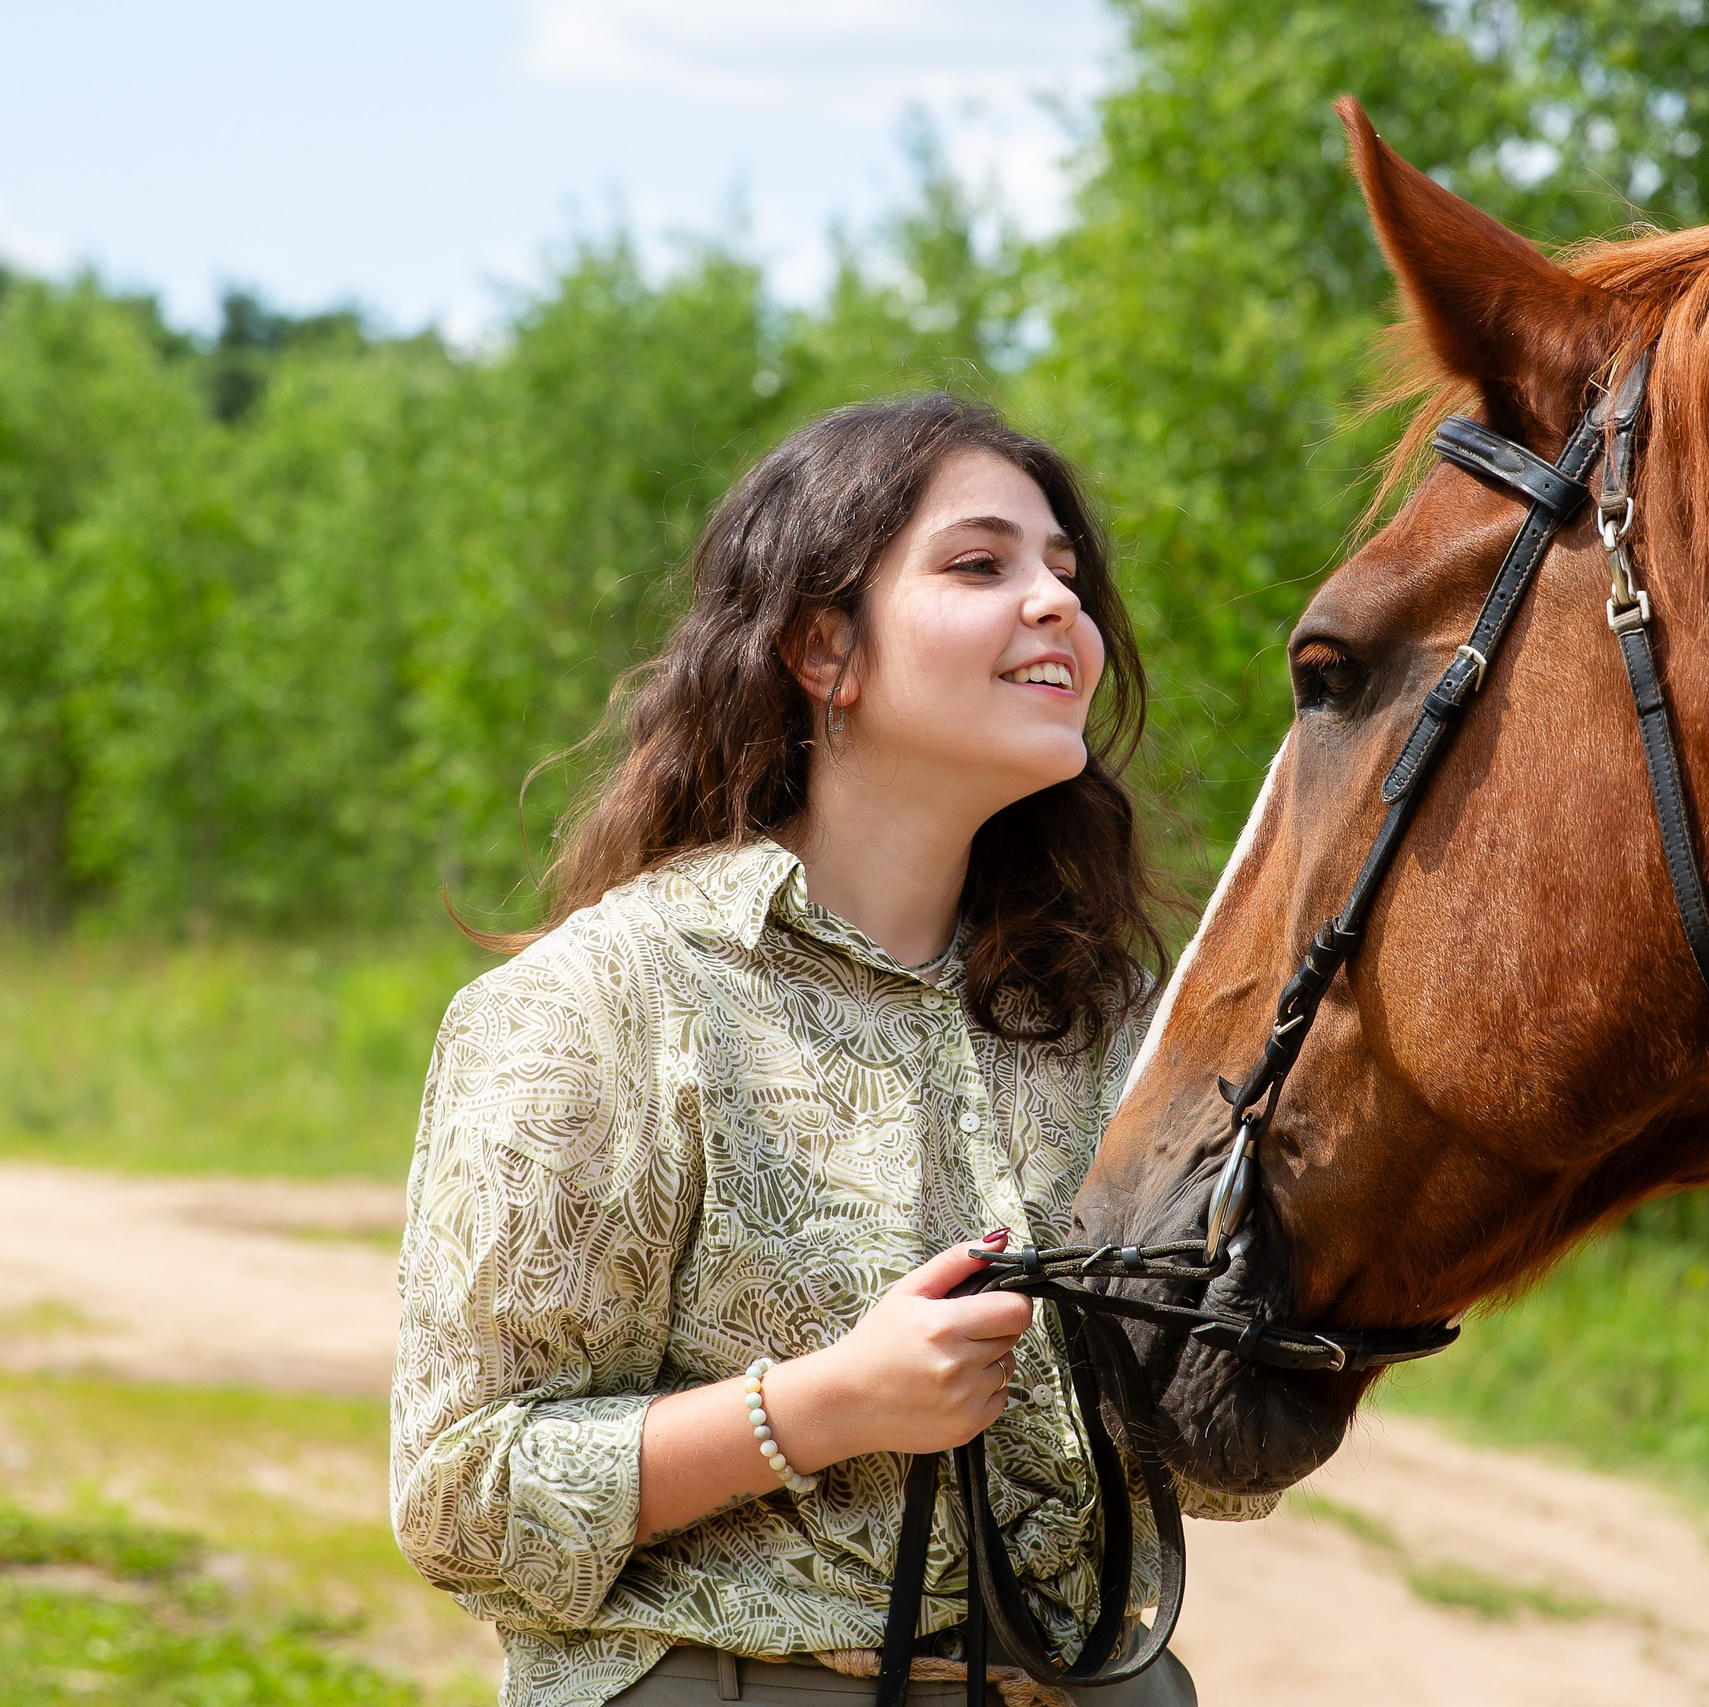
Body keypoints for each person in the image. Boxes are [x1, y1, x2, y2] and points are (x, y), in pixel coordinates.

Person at [391, 395, 1254, 1707]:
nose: (1055, 606)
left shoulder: (1122, 1027)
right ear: (820, 650)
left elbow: (1197, 1470)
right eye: (981, 565)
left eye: (1066, 578)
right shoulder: (607, 1002)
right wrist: (826, 1406)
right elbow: (465, 1499)